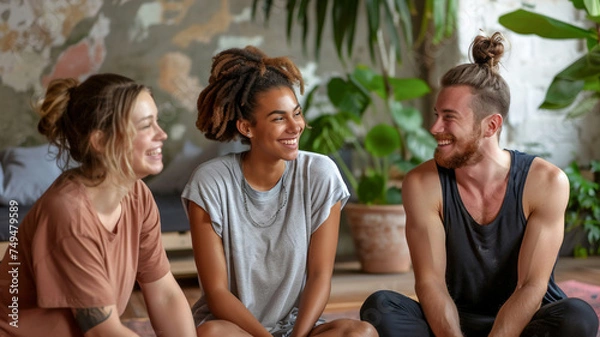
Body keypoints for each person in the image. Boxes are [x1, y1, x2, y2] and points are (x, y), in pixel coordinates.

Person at [359, 32, 599, 337]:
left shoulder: (547, 182)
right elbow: (430, 282)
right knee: (380, 307)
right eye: (436, 115)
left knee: (578, 318)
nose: (434, 128)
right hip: (454, 321)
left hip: (525, 322)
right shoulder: (422, 184)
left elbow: (531, 286)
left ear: (491, 125)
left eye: (449, 118)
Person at [182, 45, 378, 337]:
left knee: (361, 333)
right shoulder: (210, 183)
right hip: (236, 329)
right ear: (247, 127)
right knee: (211, 334)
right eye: (278, 118)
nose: (295, 127)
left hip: (296, 328)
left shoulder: (320, 174)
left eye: (296, 114)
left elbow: (320, 276)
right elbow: (216, 292)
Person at [0, 73, 196, 337]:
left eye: (157, 122)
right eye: (146, 126)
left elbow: (164, 293)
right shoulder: (69, 214)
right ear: (101, 141)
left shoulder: (138, 195)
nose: (161, 134)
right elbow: (103, 332)